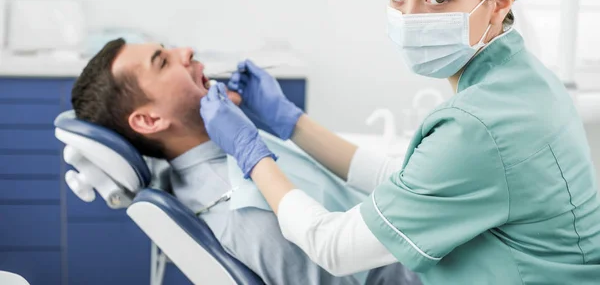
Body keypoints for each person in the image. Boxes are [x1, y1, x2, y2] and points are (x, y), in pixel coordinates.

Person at [200, 0, 600, 285]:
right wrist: (291, 121)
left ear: (499, 1)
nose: (409, 18)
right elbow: (414, 180)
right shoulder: (526, 81)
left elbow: (334, 247)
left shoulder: (481, 126)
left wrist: (250, 153)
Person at [70, 38, 420, 285]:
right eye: (162, 61)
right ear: (148, 121)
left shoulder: (223, 151)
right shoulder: (243, 209)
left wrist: (289, 121)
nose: (186, 50)